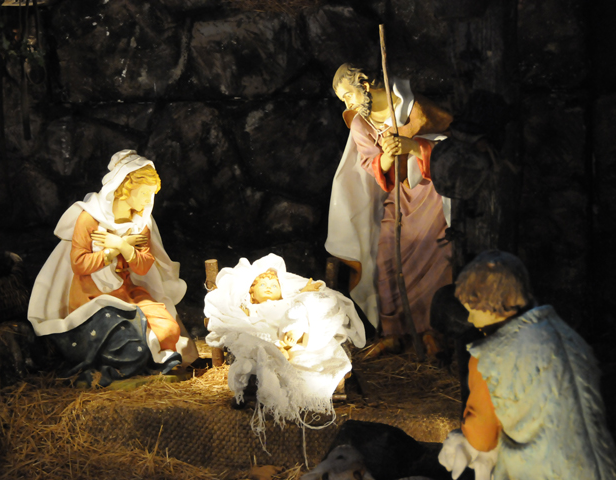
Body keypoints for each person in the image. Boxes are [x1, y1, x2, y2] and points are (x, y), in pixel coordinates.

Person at [439, 250, 616, 480]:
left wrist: (463, 437)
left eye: (473, 311)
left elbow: (481, 437)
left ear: (491, 306)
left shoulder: (491, 357)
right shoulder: (566, 335)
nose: (471, 320)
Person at [28, 150, 197, 387]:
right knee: (130, 340)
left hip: (127, 289)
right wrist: (111, 252)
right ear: (125, 187)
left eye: (152, 194)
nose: (148, 200)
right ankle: (121, 373)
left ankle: (162, 364)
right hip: (91, 294)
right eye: (145, 193)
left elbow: (144, 265)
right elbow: (79, 263)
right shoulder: (90, 218)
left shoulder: (140, 222)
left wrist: (121, 245)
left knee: (167, 326)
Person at [326, 63, 453, 357]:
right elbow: (372, 165)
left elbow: (448, 143)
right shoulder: (361, 124)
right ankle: (393, 331)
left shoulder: (412, 105)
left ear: (364, 85)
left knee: (436, 258)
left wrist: (413, 146)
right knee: (386, 257)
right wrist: (387, 156)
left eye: (348, 96)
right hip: (398, 195)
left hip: (431, 194)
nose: (348, 105)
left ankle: (431, 331)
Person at [204, 253, 366, 425]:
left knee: (302, 311)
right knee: (258, 337)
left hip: (289, 329)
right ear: (252, 293)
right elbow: (243, 322)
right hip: (268, 334)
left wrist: (304, 295)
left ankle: (290, 343)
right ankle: (276, 352)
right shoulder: (254, 308)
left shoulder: (287, 303)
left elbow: (301, 307)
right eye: (263, 285)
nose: (269, 287)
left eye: (274, 285)